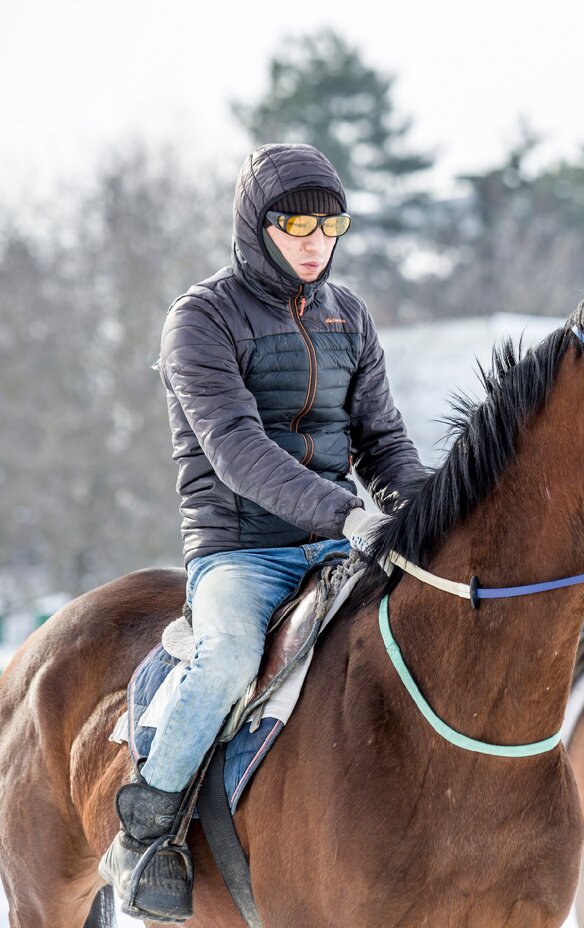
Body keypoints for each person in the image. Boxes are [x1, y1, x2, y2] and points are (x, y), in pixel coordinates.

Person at [99, 142, 426, 922]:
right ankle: (149, 830)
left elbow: (382, 441)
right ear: (257, 225)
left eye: (332, 223)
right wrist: (347, 514)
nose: (317, 240)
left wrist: (421, 516)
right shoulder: (201, 318)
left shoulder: (350, 315)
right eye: (296, 223)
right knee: (229, 658)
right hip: (240, 547)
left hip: (340, 542)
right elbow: (236, 451)